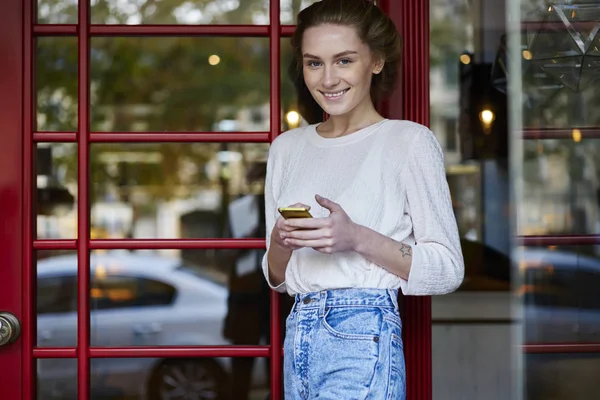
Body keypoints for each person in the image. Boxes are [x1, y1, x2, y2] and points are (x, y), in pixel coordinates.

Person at [262, 0, 465, 398]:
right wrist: (282, 240)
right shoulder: (286, 148)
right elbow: (277, 278)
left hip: (364, 332)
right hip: (299, 329)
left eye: (344, 60)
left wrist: (355, 238)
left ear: (375, 61)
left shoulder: (409, 142)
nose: (328, 78)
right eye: (314, 63)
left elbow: (448, 268)